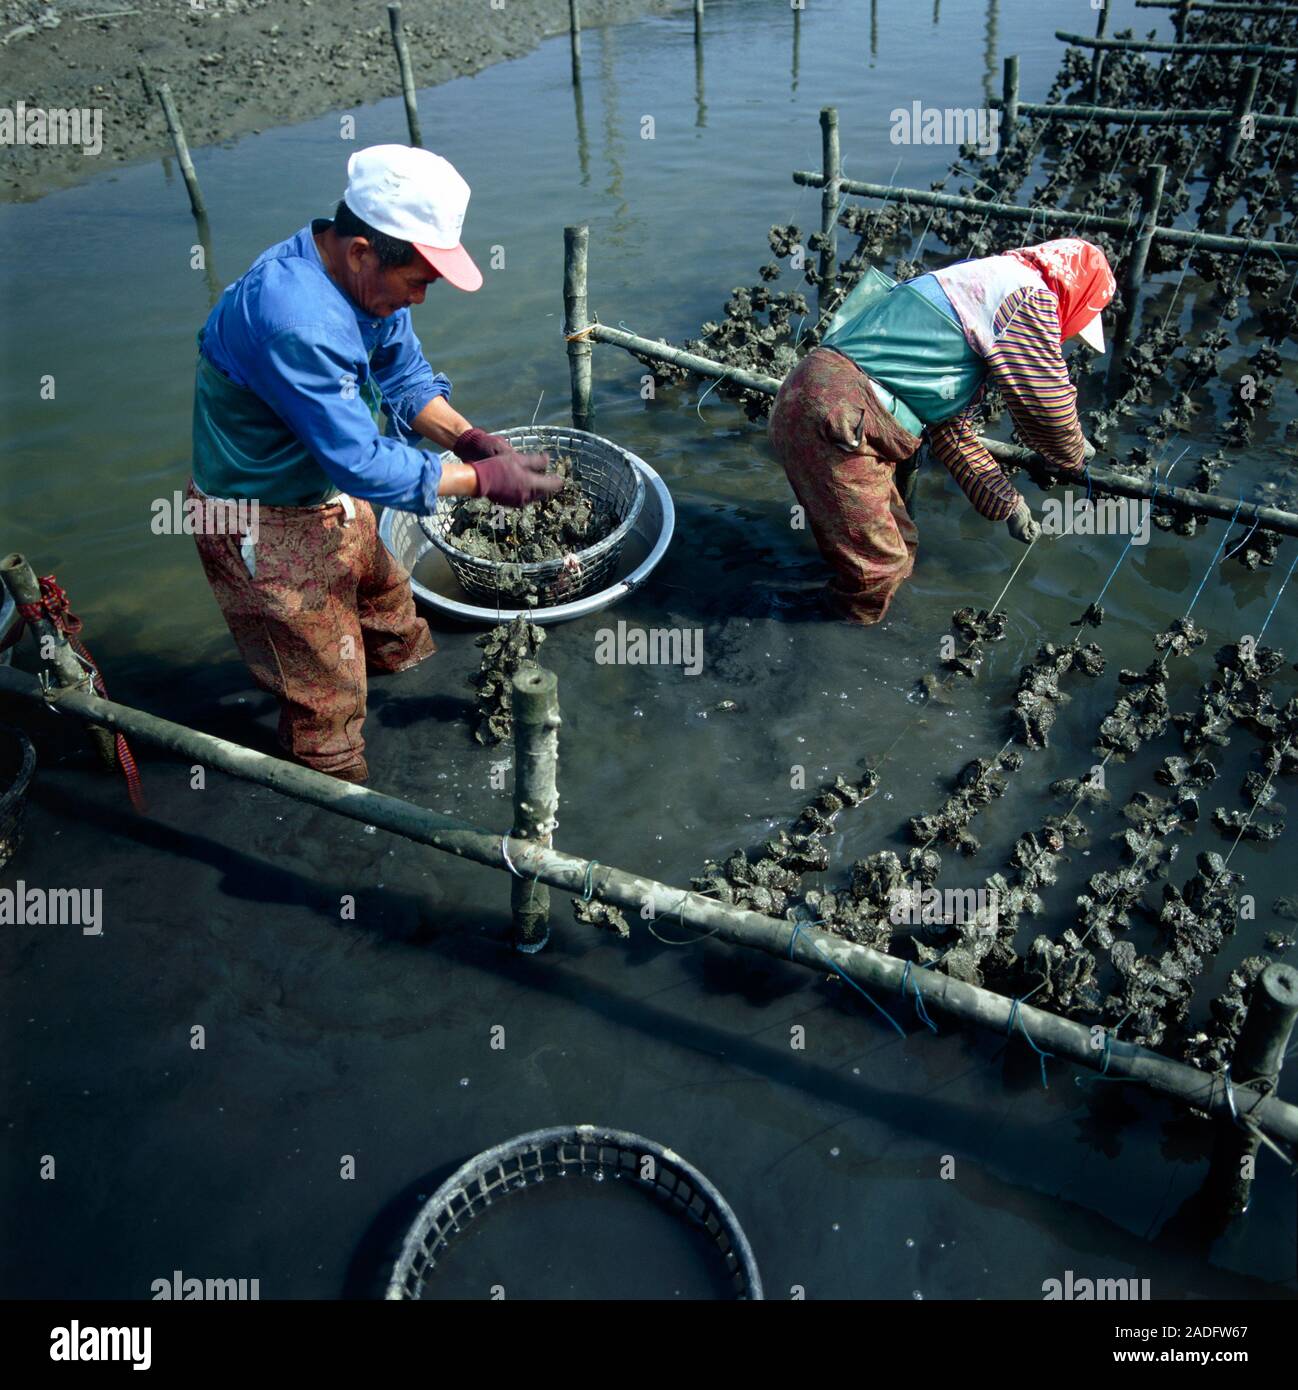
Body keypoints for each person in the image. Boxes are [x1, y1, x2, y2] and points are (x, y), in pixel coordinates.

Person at [189, 145, 561, 782]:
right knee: (326, 699)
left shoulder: (364, 286)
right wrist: (481, 481)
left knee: (395, 620)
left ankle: (413, 714)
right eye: (417, 280)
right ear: (362, 250)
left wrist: (468, 438)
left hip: (329, 494)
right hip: (262, 522)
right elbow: (361, 461)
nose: (420, 297)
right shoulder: (295, 319)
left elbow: (402, 373)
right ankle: (345, 821)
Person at [768, 237, 1115, 624]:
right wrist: (1073, 451)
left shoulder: (973, 289)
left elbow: (950, 429)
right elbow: (1046, 404)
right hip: (838, 418)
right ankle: (819, 643)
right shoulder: (1026, 296)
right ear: (1078, 296)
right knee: (880, 566)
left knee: (900, 544)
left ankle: (837, 615)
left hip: (824, 407)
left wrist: (1008, 504)